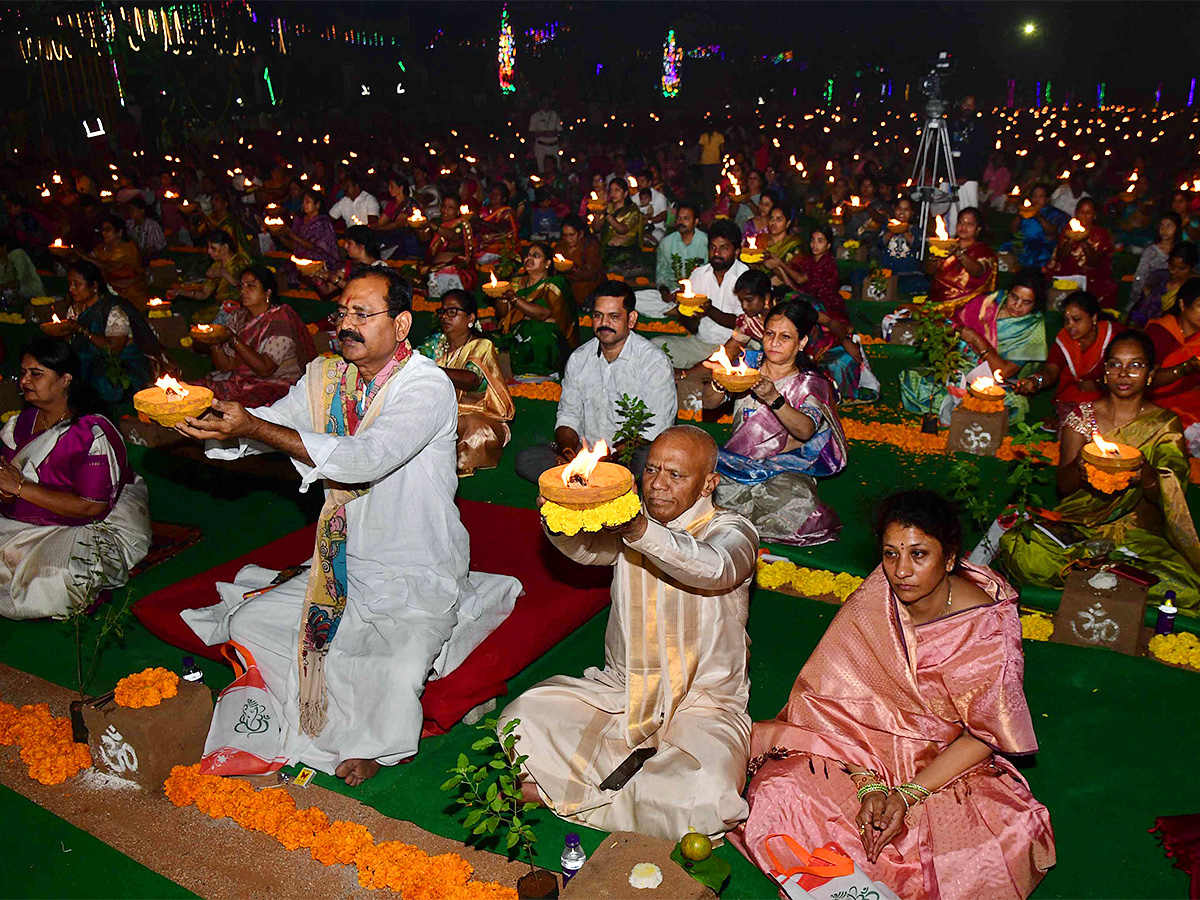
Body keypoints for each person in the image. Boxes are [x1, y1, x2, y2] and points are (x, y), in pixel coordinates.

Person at [175, 268, 523, 785]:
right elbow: (275, 419)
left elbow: (365, 459)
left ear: (401, 324)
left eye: (364, 314)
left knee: (395, 669)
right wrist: (222, 426)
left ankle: (369, 742)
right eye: (344, 313)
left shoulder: (425, 386)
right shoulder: (327, 377)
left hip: (415, 568)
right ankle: (308, 717)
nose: (348, 325)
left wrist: (254, 426)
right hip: (342, 561)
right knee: (249, 625)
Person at [733, 490, 1055, 900]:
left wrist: (907, 794)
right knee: (781, 792)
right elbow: (832, 703)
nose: (902, 570)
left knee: (1000, 842)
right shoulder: (878, 596)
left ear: (950, 558)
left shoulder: (985, 626)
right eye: (890, 554)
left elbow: (985, 735)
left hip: (942, 763)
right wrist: (866, 782)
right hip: (857, 751)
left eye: (919, 555)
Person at [500, 425, 758, 841]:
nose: (657, 485)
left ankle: (562, 792)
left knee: (711, 796)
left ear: (709, 483)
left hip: (703, 704)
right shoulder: (633, 520)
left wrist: (639, 530)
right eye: (652, 470)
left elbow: (714, 568)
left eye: (676, 475)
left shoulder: (734, 532)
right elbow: (588, 549)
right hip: (623, 692)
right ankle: (636, 795)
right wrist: (559, 518)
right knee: (521, 719)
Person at [1001, 330, 1200, 608]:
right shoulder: (1082, 417)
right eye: (1115, 364)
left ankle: (1094, 573)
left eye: (1136, 365)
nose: (1124, 373)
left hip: (1138, 539)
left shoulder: (1165, 426)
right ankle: (1110, 576)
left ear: (1151, 374)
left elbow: (1168, 497)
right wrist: (1082, 468)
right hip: (1083, 530)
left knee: (1187, 589)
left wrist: (1147, 475)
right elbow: (1064, 486)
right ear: (1104, 373)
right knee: (1020, 547)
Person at [0, 338, 151, 620]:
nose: (24, 381)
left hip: (88, 522)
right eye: (23, 373)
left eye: (36, 374)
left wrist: (19, 488)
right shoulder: (21, 424)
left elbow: (92, 507)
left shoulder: (90, 434)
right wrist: (7, 490)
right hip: (25, 515)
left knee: (55, 581)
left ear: (65, 379)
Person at [704, 300, 845, 546]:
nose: (775, 342)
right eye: (770, 334)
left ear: (801, 343)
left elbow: (805, 430)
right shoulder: (746, 366)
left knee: (798, 503)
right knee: (700, 485)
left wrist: (773, 398)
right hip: (735, 463)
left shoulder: (810, 384)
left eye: (785, 336)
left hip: (785, 471)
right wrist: (719, 382)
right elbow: (709, 403)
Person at [514, 280, 676, 482]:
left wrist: (608, 457)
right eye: (598, 316)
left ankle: (586, 480)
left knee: (650, 463)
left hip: (627, 454)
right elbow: (569, 415)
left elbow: (655, 428)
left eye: (614, 317)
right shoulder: (579, 358)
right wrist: (568, 453)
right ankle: (588, 477)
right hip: (584, 452)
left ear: (632, 319)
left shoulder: (653, 362)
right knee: (527, 460)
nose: (604, 324)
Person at [900, 268, 1047, 424]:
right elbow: (950, 326)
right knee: (913, 379)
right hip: (962, 371)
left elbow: (1003, 371)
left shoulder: (1033, 327)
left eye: (1026, 302)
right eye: (1014, 297)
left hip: (996, 385)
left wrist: (976, 339)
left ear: (1036, 304)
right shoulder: (986, 303)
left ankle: (962, 411)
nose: (1017, 306)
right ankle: (967, 411)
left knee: (1015, 403)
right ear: (1008, 292)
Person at [418, 290, 515, 475]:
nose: (445, 317)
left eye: (453, 312)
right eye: (443, 312)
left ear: (470, 317)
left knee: (474, 431)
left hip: (475, 413)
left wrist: (428, 369)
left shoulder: (482, 346)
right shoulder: (434, 344)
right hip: (437, 410)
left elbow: (471, 380)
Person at [200, 265, 316, 408]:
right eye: (241, 286)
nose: (243, 291)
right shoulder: (238, 317)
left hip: (277, 383)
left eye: (251, 286)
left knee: (246, 405)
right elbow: (227, 366)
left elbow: (265, 369)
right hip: (244, 380)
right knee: (196, 393)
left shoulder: (280, 320)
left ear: (267, 293)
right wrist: (215, 344)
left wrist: (232, 339)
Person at [63, 261, 164, 402]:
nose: (71, 289)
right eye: (70, 284)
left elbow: (114, 348)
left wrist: (82, 330)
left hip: (120, 361)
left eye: (77, 284)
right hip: (88, 358)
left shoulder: (113, 310)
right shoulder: (75, 309)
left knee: (105, 384)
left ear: (94, 287)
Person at [1012, 291, 1115, 424]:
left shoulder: (1114, 337)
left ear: (1094, 318)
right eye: (1066, 320)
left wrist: (1100, 384)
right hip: (1075, 396)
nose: (1070, 325)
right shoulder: (1065, 339)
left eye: (1076, 319)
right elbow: (1051, 371)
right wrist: (1035, 381)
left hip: (1109, 398)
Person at [658, 219, 748, 370]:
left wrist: (710, 311)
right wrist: (687, 314)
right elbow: (692, 326)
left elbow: (743, 323)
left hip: (735, 348)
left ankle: (698, 372)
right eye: (713, 247)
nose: (717, 253)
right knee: (658, 346)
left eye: (724, 248)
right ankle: (701, 370)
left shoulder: (745, 276)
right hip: (701, 345)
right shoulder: (699, 275)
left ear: (737, 251)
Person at [492, 241, 577, 376]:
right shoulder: (516, 283)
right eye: (528, 255)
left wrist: (514, 299)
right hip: (521, 329)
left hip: (547, 332)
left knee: (539, 338)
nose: (529, 259)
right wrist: (500, 296)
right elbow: (504, 314)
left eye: (536, 256)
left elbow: (542, 314)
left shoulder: (554, 284)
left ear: (548, 263)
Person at [167, 229, 252, 327]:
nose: (209, 252)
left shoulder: (240, 262)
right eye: (208, 248)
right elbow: (204, 293)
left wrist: (226, 275)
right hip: (221, 307)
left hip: (240, 309)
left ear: (225, 247)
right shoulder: (216, 266)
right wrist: (179, 291)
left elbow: (247, 287)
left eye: (213, 248)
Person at [1147, 278, 1200, 427]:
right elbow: (1147, 378)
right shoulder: (1160, 332)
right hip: (1157, 403)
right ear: (1183, 305)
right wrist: (1185, 368)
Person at [1046, 197, 1116, 307]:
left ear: (1095, 215)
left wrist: (1084, 241)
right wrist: (1071, 241)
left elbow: (1095, 262)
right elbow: (1061, 258)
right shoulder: (1068, 230)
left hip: (1091, 275)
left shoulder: (1100, 234)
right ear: (1076, 213)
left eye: (1088, 213)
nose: (1084, 216)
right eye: (1081, 212)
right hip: (1069, 271)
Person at [926, 207, 997, 315]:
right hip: (938, 300)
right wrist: (933, 256)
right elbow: (929, 271)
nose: (963, 227)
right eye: (961, 222)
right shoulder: (947, 245)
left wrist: (959, 254)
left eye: (970, 224)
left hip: (966, 304)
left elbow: (977, 271)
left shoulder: (984, 251)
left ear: (978, 229)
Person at [83, 215, 152, 305]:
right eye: (103, 230)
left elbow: (110, 266)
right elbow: (90, 258)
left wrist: (86, 258)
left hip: (130, 292)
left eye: (108, 230)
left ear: (119, 232)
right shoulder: (102, 248)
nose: (104, 233)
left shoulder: (128, 248)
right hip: (108, 289)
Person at [1129, 241, 1198, 329]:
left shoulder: (1194, 288)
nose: (1174, 272)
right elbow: (1141, 306)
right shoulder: (1157, 278)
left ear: (1192, 268)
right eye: (1172, 266)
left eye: (1181, 269)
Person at [421, 195, 477, 297]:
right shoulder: (436, 221)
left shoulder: (461, 224)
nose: (445, 211)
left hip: (457, 267)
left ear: (457, 211)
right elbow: (423, 238)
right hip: (435, 266)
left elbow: (453, 236)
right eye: (444, 207)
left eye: (450, 208)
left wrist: (435, 227)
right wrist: (419, 227)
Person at [949, 94, 991, 230]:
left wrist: (969, 175)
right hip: (950, 177)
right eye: (965, 103)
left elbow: (981, 155)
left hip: (969, 180)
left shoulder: (980, 128)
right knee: (950, 215)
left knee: (969, 212)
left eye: (971, 104)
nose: (967, 107)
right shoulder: (951, 124)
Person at [784, 226, 844, 320]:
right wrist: (778, 267)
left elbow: (799, 279)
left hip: (825, 307)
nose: (814, 245)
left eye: (820, 241)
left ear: (828, 245)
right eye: (813, 240)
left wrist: (780, 265)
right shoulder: (808, 260)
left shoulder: (827, 263)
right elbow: (792, 284)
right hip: (808, 301)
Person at [1127, 212, 1181, 315]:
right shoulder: (1151, 251)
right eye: (1162, 226)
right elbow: (1140, 275)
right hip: (1150, 299)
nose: (1164, 230)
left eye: (1169, 226)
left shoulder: (1180, 251)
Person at [654, 203, 708, 303]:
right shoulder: (666, 243)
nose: (681, 222)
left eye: (686, 219)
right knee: (641, 297)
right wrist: (665, 293)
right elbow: (661, 275)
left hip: (698, 293)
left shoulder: (706, 242)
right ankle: (676, 308)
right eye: (679, 218)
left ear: (696, 222)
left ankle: (676, 309)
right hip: (673, 292)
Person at [275, 188, 341, 271]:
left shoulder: (322, 223)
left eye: (308, 202)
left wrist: (291, 235)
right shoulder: (299, 220)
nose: (304, 205)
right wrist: (280, 237)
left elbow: (315, 247)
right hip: (300, 260)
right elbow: (295, 247)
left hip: (318, 263)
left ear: (317, 205)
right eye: (303, 202)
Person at [1006, 184, 1067, 269]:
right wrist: (1020, 216)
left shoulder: (1055, 214)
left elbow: (1053, 232)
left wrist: (1038, 216)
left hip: (1044, 248)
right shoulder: (1026, 211)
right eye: (1034, 196)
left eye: (1041, 196)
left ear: (1047, 199)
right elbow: (1012, 230)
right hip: (1023, 245)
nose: (1037, 199)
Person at [595, 177, 645, 279]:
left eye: (617, 190)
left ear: (625, 193)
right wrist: (597, 213)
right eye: (611, 190)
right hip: (606, 250)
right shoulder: (607, 207)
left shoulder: (632, 210)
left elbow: (622, 230)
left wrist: (607, 215)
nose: (613, 193)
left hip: (624, 253)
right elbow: (596, 228)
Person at [554, 214, 604, 310]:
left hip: (587, 287)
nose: (568, 239)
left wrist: (573, 268)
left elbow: (592, 274)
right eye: (565, 235)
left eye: (571, 235)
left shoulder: (591, 246)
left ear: (581, 234)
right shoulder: (560, 247)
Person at [757, 205, 806, 288]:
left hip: (781, 287)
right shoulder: (761, 238)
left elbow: (795, 276)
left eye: (779, 219)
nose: (773, 223)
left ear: (788, 223)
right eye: (771, 218)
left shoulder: (793, 244)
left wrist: (777, 265)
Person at [476, 184, 519, 264]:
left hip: (501, 250)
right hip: (482, 248)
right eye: (492, 193)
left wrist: (482, 223)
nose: (493, 196)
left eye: (497, 194)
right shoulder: (483, 211)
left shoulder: (507, 213)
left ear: (504, 198)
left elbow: (502, 229)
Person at [0, 234, 44, 299]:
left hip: (35, 297)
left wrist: (6, 286)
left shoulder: (18, 255)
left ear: (4, 247)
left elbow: (16, 282)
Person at [529, 96, 562, 172]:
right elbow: (532, 132)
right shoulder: (535, 116)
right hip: (541, 146)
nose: (546, 104)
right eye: (544, 101)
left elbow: (559, 131)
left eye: (547, 102)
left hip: (553, 146)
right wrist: (543, 133)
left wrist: (553, 133)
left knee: (557, 167)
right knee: (541, 168)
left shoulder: (555, 115)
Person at [699, 124, 726, 189]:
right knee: (717, 180)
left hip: (706, 161)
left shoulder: (703, 136)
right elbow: (722, 149)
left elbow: (700, 149)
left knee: (708, 181)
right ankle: (718, 194)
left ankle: (710, 197)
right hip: (716, 160)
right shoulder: (719, 136)